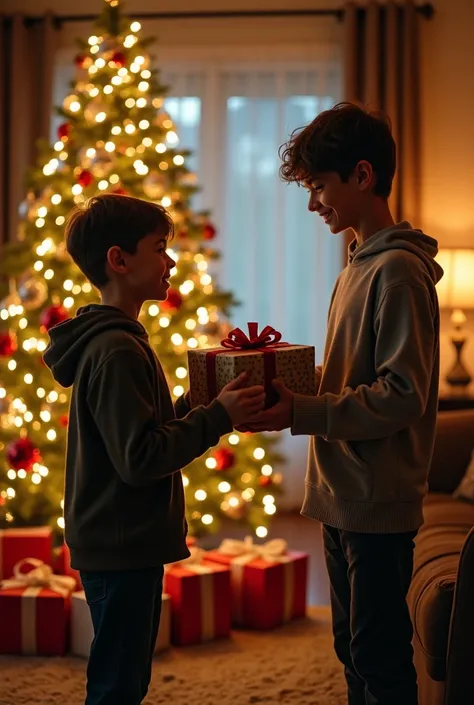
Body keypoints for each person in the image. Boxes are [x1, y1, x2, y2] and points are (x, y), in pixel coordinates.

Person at [242, 102, 443, 705]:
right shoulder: (356, 265)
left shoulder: (399, 273)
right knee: (350, 651)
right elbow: (353, 377)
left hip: (376, 500)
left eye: (319, 188)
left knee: (379, 658)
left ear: (361, 175)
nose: (313, 205)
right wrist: (288, 384)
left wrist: (303, 413)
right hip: (339, 495)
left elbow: (402, 395)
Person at [43, 193, 265, 705]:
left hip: (122, 540)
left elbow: (143, 431)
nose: (170, 261)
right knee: (118, 683)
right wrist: (218, 418)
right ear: (119, 260)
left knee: (125, 674)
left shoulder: (119, 339)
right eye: (159, 248)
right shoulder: (117, 348)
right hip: (123, 545)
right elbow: (140, 458)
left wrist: (202, 401)